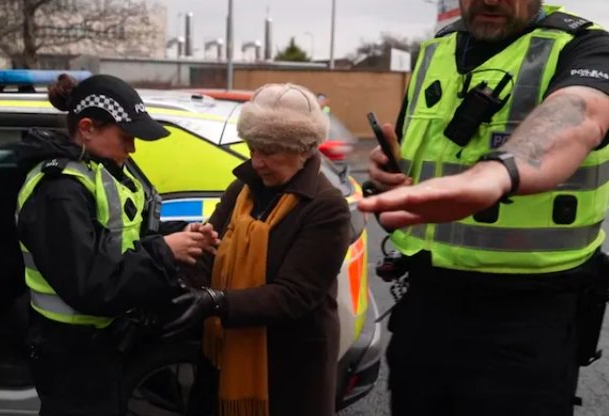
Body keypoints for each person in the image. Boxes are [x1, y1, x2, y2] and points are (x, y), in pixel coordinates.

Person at [359, 1, 609, 416]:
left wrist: (497, 173)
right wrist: (386, 170)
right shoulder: (436, 49)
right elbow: (417, 147)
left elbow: (579, 112)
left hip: (525, 319)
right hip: (426, 302)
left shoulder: (588, 46)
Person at [15, 73, 218, 416]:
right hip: (70, 352)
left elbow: (123, 238)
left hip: (99, 341)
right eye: (126, 137)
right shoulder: (58, 192)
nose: (133, 148)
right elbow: (92, 283)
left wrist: (181, 234)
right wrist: (166, 251)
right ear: (87, 127)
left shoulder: (98, 172)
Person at [165, 83, 351, 416]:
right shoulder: (242, 189)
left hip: (288, 370)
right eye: (253, 147)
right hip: (225, 357)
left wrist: (216, 302)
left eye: (269, 150)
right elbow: (211, 255)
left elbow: (294, 295)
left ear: (304, 148)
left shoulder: (326, 206)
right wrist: (195, 242)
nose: (257, 161)